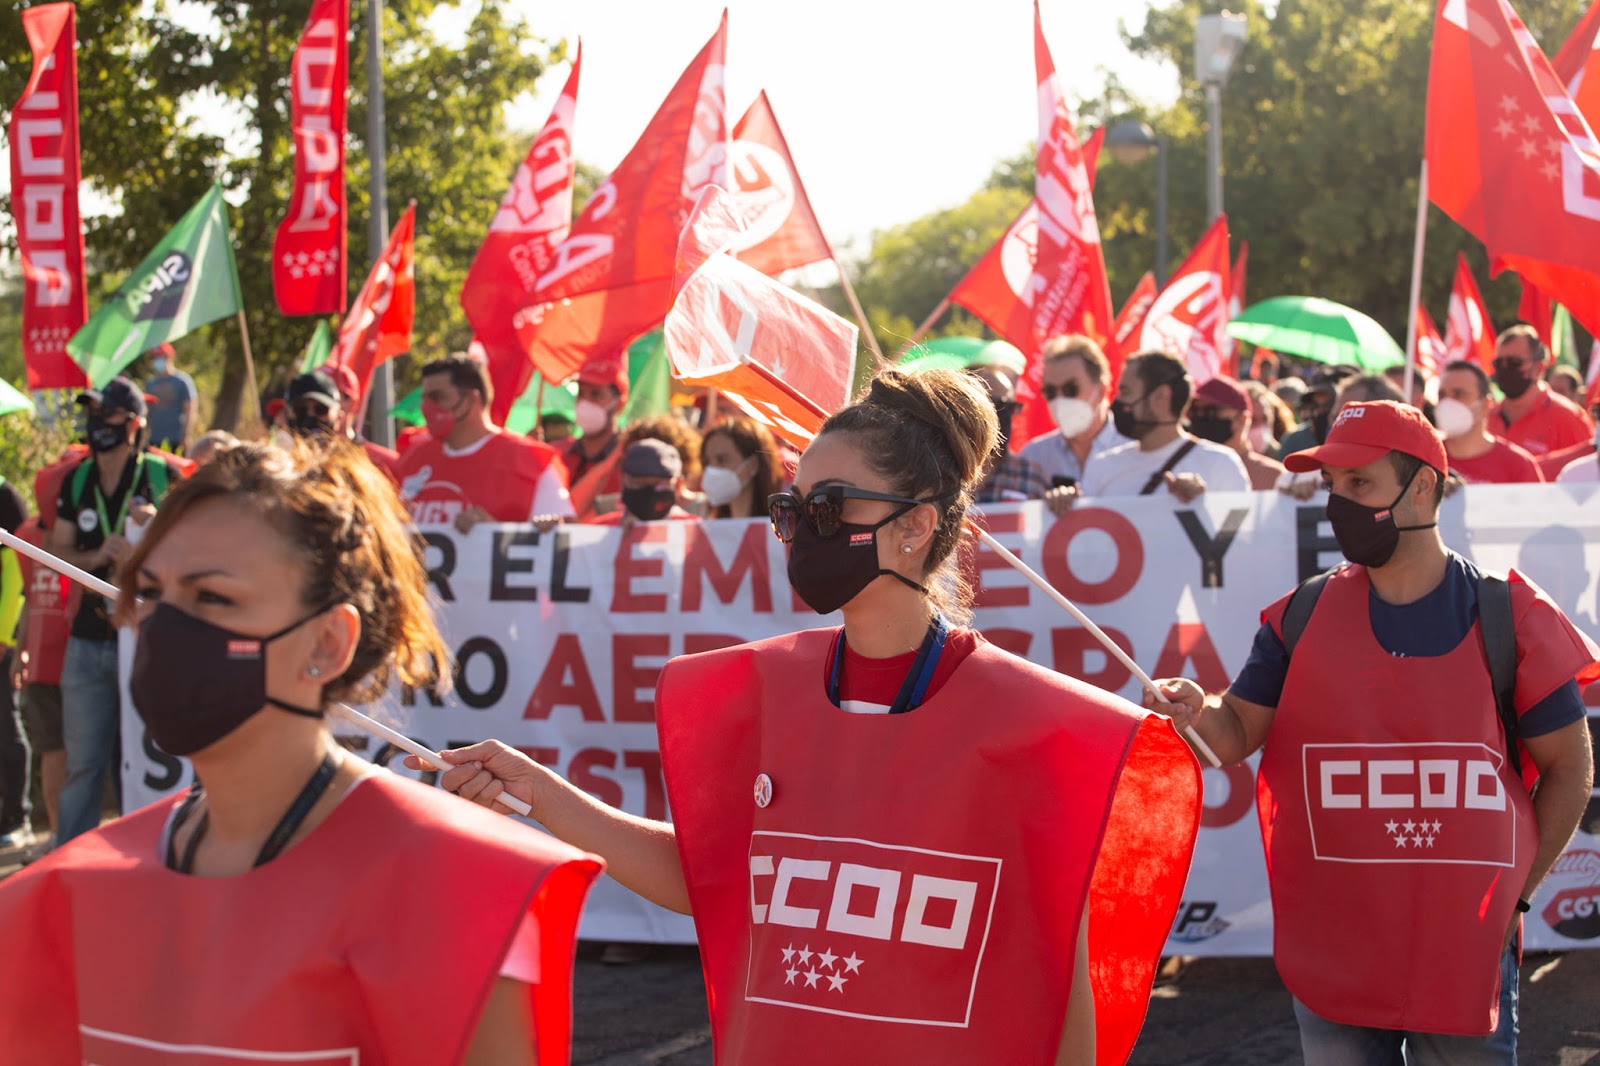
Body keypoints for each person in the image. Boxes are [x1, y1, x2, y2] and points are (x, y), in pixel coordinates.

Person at [420, 368, 1202, 1064]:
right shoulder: (757, 691)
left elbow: (1063, 970)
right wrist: (538, 792)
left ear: (916, 525)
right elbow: (711, 879)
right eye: (794, 507)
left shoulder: (1037, 725)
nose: (805, 529)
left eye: (832, 506)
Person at [0, 439, 603, 1062]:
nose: (165, 629)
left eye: (213, 598)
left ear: (327, 642)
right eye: (151, 592)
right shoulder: (62, 897)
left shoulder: (451, 892)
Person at [1146, 400, 1597, 1064]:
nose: (1339, 503)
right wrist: (1194, 713)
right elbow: (1234, 731)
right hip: (1338, 945)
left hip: (1464, 945)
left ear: (1422, 487)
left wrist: (1518, 899)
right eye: (1333, 485)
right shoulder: (1301, 615)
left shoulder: (1511, 618)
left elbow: (1569, 766)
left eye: (1360, 483)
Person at [49, 378, 185, 844]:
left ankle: (149, 856)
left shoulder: (163, 477)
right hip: (88, 641)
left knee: (144, 761)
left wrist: (154, 535)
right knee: (82, 766)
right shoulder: (77, 479)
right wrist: (97, 556)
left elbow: (194, 552)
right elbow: (56, 550)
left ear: (132, 424)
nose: (96, 423)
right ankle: (72, 865)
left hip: (147, 642)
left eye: (106, 414)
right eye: (92, 414)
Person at [394, 354, 574, 534]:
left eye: (438, 397)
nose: (426, 407)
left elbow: (564, 535)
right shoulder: (411, 459)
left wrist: (495, 532)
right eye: (425, 399)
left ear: (470, 400)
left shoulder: (531, 462)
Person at [1062, 350, 1249, 501]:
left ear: (1161, 397)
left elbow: (1239, 531)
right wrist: (1061, 504)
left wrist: (1203, 504)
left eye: (1126, 392)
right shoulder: (1101, 466)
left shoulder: (1220, 465)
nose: (1119, 402)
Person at [1018, 334, 1131, 513]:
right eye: (1050, 391)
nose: (1059, 400)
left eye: (1071, 389)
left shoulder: (1135, 452)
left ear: (1101, 391)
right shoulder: (1032, 457)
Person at [1489, 325, 1593, 458]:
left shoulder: (1567, 418)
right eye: (1498, 363)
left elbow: (1589, 466)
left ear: (1539, 368)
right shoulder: (1485, 419)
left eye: (1514, 362)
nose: (1505, 369)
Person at [1435, 360, 1544, 484]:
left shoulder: (1519, 466)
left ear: (1486, 404)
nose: (1448, 403)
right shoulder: (1426, 459)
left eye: (1459, 394)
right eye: (1442, 395)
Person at [561, 351, 628, 519]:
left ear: (619, 404)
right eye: (580, 393)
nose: (585, 402)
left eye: (596, 394)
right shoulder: (558, 453)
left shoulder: (630, 460)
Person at [971, 365, 1051, 504]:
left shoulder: (1031, 476)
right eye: (995, 406)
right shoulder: (941, 477)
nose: (1003, 416)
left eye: (1009, 407)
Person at [1188, 376, 1286, 491]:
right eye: (1194, 410)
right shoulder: (1183, 468)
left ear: (1242, 419)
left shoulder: (1274, 478)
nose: (1200, 417)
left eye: (1210, 411)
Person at [0, 477, 29, 848]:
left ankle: (17, 816)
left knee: (7, 728)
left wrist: (5, 636)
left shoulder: (5, 496)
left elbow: (17, 569)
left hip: (2, 642)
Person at [587, 440, 701, 526]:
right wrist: (616, 539)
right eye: (638, 483)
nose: (649, 493)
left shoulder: (696, 532)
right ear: (622, 482)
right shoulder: (600, 530)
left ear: (677, 485)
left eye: (659, 484)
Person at [700, 416, 784, 519]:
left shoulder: (780, 525)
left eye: (722, 460)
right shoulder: (707, 525)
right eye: (706, 461)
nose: (711, 469)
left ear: (753, 465)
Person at [1275, 365, 1359, 458]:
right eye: (1315, 404)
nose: (1320, 411)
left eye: (1328, 405)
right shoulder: (1294, 440)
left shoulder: (1354, 442)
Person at [142, 343, 196, 454]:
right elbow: (147, 411)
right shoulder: (151, 384)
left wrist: (186, 435)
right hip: (155, 439)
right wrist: (144, 435)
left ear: (169, 357)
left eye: (160, 357)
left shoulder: (182, 381)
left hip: (176, 439)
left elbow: (189, 410)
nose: (157, 361)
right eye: (154, 358)